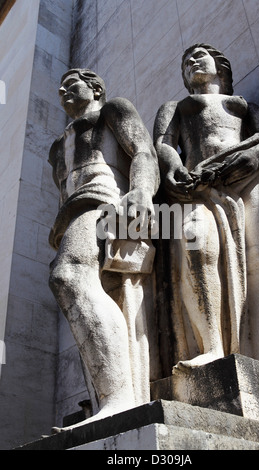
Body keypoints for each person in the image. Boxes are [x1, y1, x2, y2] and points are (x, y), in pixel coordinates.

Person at [154, 44, 259, 370]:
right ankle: (212, 346)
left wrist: (252, 157)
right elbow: (163, 144)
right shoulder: (177, 107)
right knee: (196, 245)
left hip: (249, 176)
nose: (192, 62)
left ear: (221, 67)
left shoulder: (243, 106)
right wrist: (172, 168)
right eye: (185, 62)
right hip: (199, 184)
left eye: (199, 56)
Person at [48, 69, 159, 428]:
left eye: (71, 83)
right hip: (71, 217)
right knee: (81, 289)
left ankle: (119, 400)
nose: (64, 90)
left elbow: (142, 150)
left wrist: (141, 191)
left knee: (67, 276)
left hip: (104, 203)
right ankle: (110, 400)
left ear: (95, 88)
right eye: (60, 87)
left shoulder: (113, 109)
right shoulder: (56, 147)